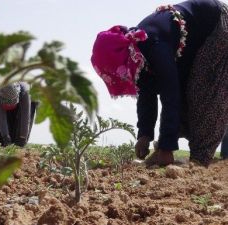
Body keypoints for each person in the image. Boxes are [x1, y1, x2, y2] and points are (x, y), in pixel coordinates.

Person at [91, 0, 228, 167]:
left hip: (217, 25)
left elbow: (170, 94)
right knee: (184, 90)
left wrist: (166, 149)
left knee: (202, 90)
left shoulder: (154, 45)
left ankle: (198, 161)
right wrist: (145, 134)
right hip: (194, 40)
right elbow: (146, 91)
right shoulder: (136, 55)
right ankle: (170, 148)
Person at [0, 82, 38, 147]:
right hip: (9, 101)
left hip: (28, 99)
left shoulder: (25, 93)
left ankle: (19, 145)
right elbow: (1, 117)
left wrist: (22, 138)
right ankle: (2, 143)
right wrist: (5, 137)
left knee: (20, 135)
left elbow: (25, 119)